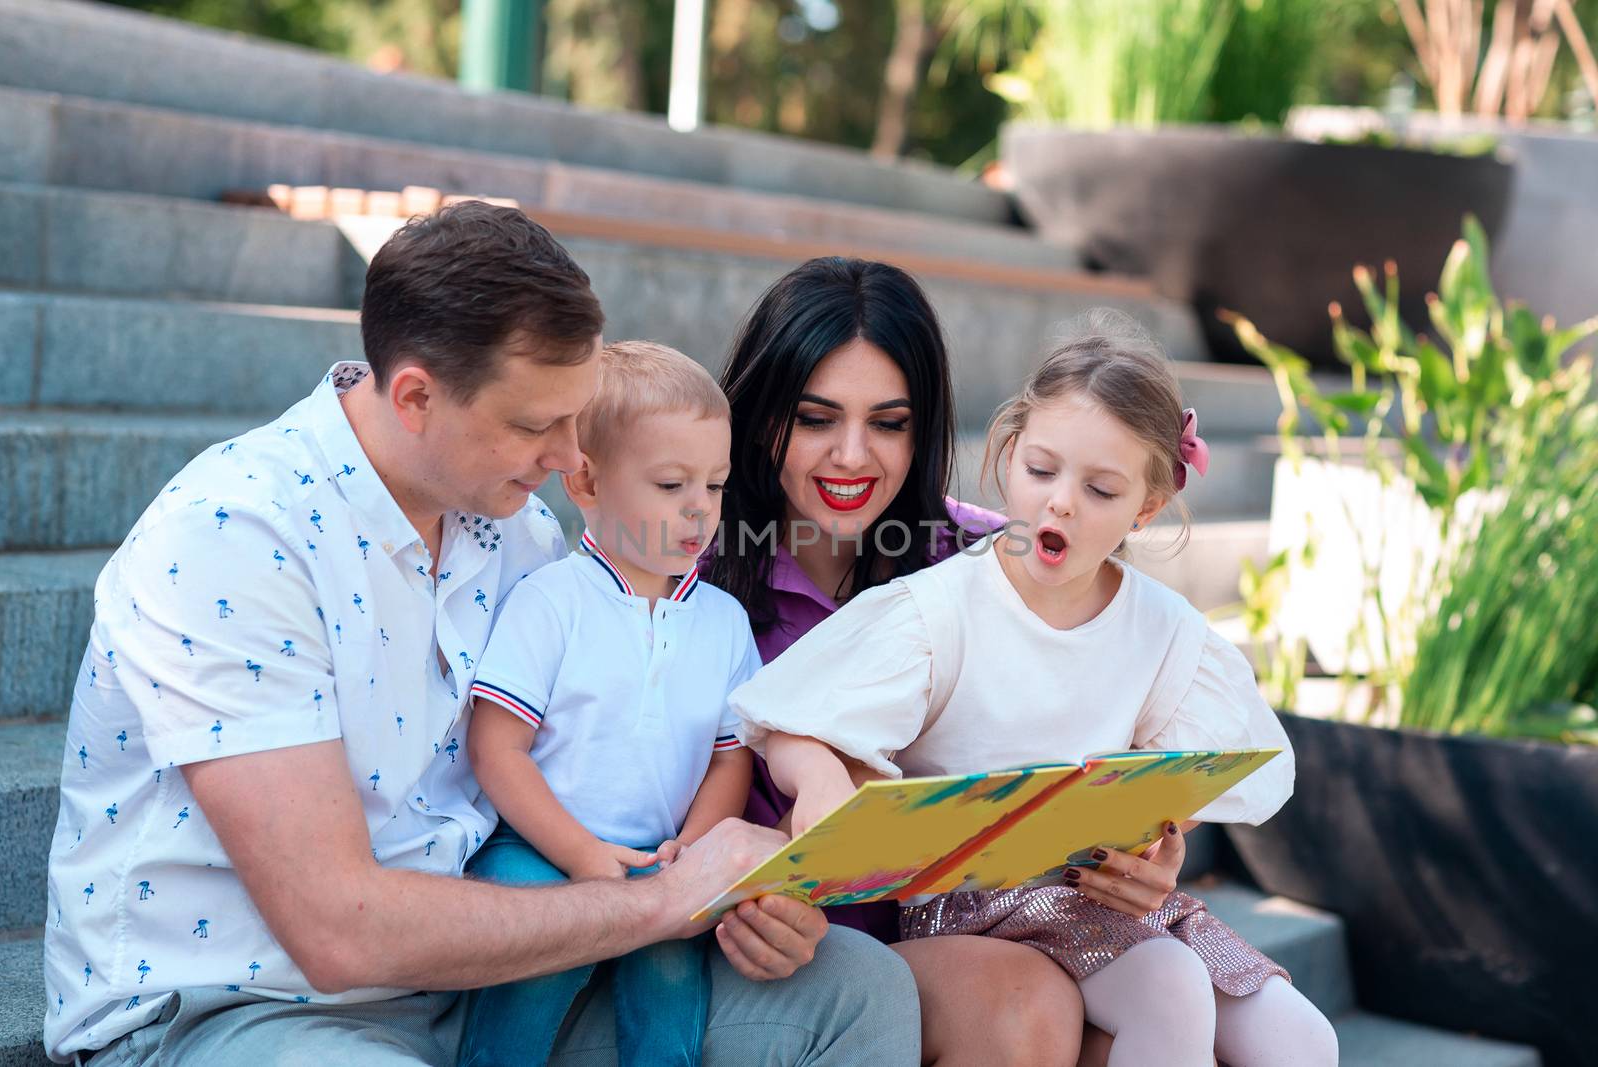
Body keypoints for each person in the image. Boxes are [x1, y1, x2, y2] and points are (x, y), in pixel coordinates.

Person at [42, 203, 919, 1066]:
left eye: (576, 416)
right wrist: (666, 899)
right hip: (238, 1008)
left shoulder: (520, 534)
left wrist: (746, 899)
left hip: (485, 978)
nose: (571, 455)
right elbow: (337, 932)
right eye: (537, 424)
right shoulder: (233, 539)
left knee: (857, 992)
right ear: (416, 395)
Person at [730, 311, 1341, 1067]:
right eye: (1042, 471)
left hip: (1098, 897)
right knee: (1172, 988)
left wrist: (1158, 842)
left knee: (1305, 1040)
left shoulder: (1162, 628)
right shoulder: (943, 606)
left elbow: (1209, 770)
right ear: (1009, 453)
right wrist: (820, 785)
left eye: (1101, 489)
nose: (1060, 503)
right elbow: (787, 713)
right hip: (973, 906)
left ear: (1145, 508)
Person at [707, 256, 1090, 1066]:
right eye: (815, 419)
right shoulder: (688, 570)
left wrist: (1142, 852)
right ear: (761, 412)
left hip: (968, 922)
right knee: (1021, 1006)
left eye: (889, 422)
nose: (853, 456)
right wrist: (746, 904)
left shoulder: (990, 558)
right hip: (769, 948)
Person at [460, 341, 757, 1067]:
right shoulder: (552, 601)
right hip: (537, 848)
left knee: (671, 974)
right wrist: (581, 856)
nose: (700, 509)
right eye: (670, 484)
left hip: (659, 861)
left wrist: (692, 849)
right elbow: (496, 748)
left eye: (715, 485)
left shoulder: (723, 621)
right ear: (586, 480)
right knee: (540, 950)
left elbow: (731, 754)